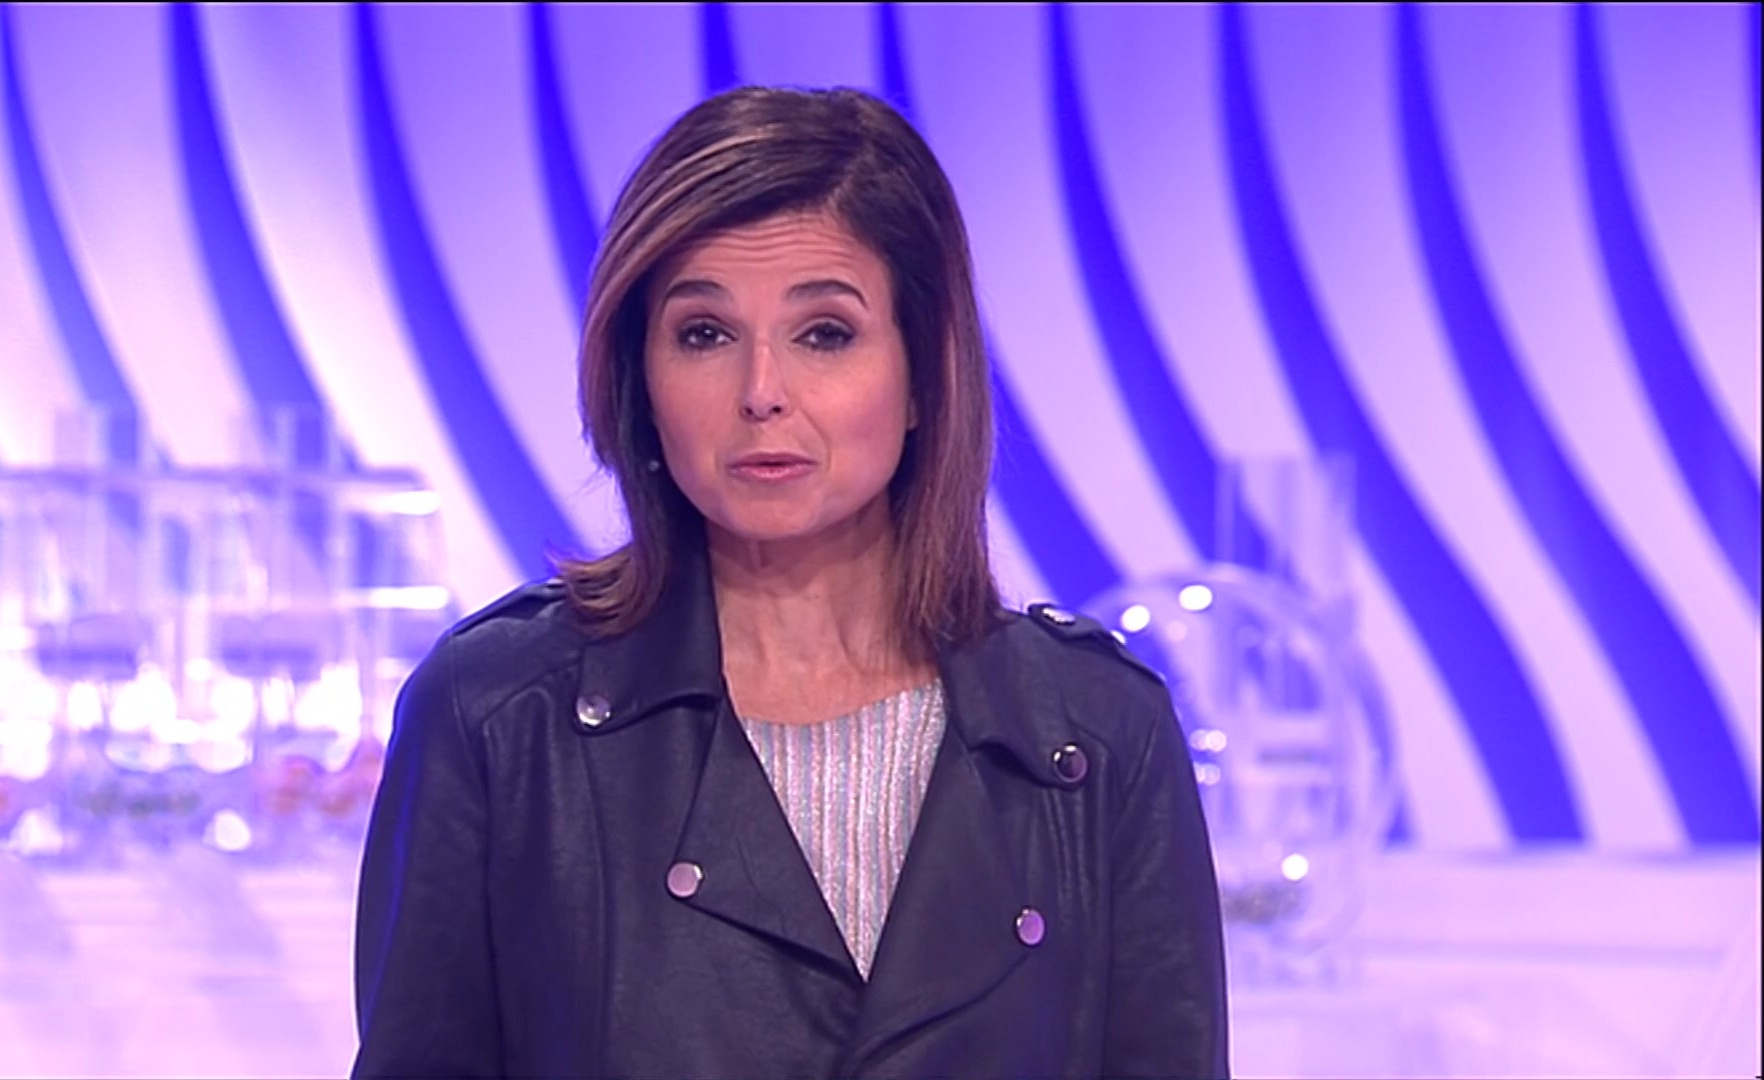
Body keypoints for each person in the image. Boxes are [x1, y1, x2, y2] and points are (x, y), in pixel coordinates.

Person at [351, 86, 1227, 1079]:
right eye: (704, 334)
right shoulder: (496, 715)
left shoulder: (1098, 733)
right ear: (639, 381)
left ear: (924, 376)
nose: (762, 391)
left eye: (825, 334)